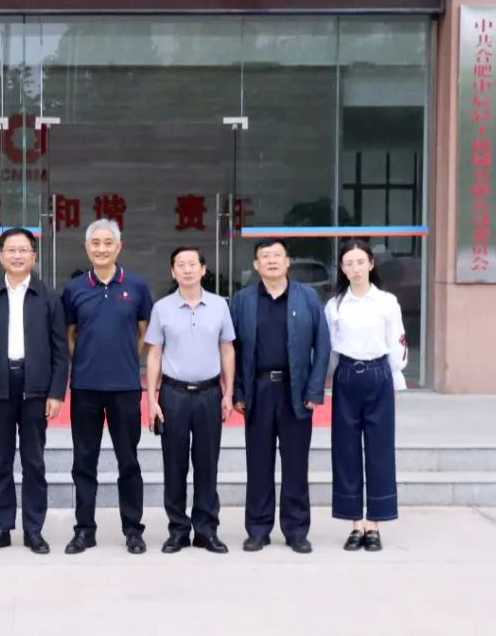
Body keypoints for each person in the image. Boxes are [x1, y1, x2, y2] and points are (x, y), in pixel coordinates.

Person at [0, 227, 68, 555]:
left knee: (34, 460)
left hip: (35, 386)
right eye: (11, 250)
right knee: (0, 459)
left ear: (33, 256)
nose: (17, 255)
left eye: (23, 250)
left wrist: (56, 392)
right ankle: (1, 527)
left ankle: (33, 529)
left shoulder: (48, 296)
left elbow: (60, 351)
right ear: (1, 256)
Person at [230, 238, 330, 554]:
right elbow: (233, 350)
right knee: (258, 464)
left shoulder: (307, 297)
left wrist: (314, 389)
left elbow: (323, 346)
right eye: (265, 256)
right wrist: (238, 391)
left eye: (277, 255)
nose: (271, 261)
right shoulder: (243, 300)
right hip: (258, 390)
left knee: (296, 465)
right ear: (256, 265)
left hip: (295, 391)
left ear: (287, 262)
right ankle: (258, 530)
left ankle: (296, 530)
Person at [61, 219, 153, 555]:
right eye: (95, 243)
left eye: (108, 242)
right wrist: (87, 360)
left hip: (125, 387)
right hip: (85, 387)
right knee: (84, 462)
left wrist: (124, 358)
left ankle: (133, 530)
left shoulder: (137, 286)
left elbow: (143, 332)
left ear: (119, 246)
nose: (101, 249)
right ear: (87, 248)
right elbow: (69, 335)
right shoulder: (74, 289)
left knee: (128, 461)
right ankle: (84, 530)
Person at [145, 246, 235, 555]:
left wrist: (228, 392)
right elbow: (154, 354)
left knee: (207, 465)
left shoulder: (220, 306)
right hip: (174, 395)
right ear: (173, 272)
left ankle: (206, 530)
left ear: (203, 269)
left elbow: (227, 349)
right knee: (175, 465)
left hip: (210, 394)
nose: (187, 269)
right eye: (180, 265)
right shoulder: (162, 308)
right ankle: (178, 531)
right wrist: (152, 399)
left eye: (192, 264)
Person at [325, 239, 408, 552]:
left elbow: (397, 343)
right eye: (349, 263)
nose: (355, 269)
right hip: (346, 376)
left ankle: (374, 523)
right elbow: (330, 350)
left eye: (361, 262)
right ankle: (355, 523)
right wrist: (329, 382)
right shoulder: (335, 306)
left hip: (379, 375)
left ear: (371, 264)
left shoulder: (387, 302)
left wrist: (395, 382)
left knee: (380, 450)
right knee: (345, 450)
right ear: (342, 269)